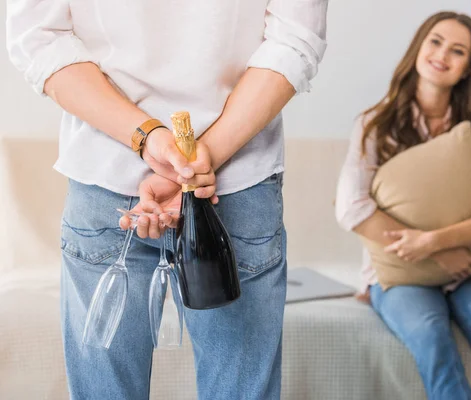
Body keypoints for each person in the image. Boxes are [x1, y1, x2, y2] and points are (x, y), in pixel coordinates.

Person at [7, 1, 328, 399]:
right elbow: (294, 39)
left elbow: (38, 38)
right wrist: (201, 156)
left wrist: (146, 138)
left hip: (110, 174)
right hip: (232, 181)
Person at [335, 11, 471, 400]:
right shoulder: (376, 122)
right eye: (435, 41)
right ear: (419, 47)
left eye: (458, 51)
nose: (442, 55)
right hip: (400, 271)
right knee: (432, 339)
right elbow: (351, 207)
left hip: (470, 264)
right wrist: (428, 253)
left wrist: (437, 243)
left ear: (469, 68)